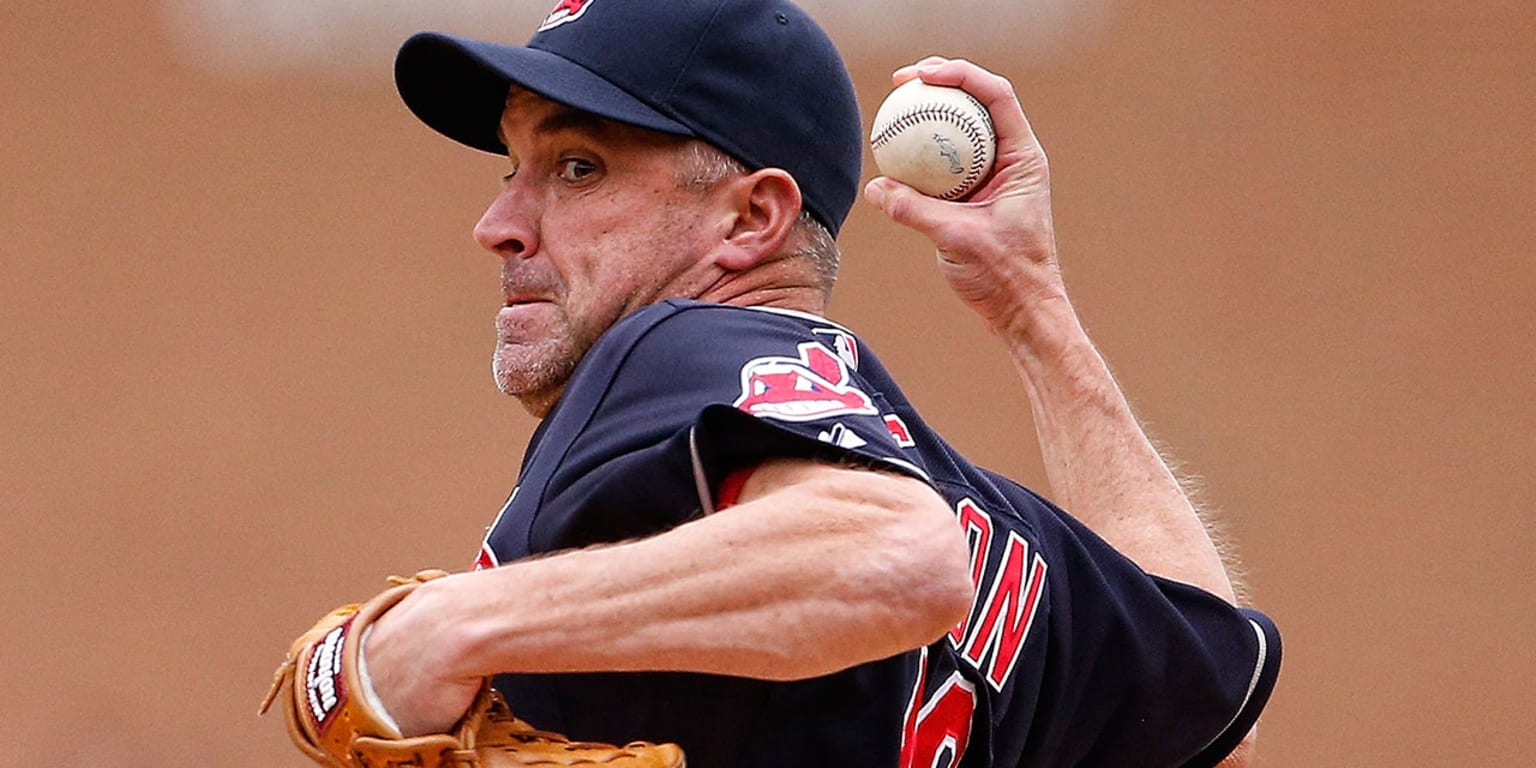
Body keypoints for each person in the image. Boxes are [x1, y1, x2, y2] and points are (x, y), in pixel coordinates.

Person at [363, 0, 1281, 765]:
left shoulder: (673, 344)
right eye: (511, 168)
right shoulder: (1007, 532)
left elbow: (900, 560)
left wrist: (453, 622)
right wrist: (1031, 309)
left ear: (752, 218)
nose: (499, 223)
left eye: (576, 168)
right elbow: (1208, 715)